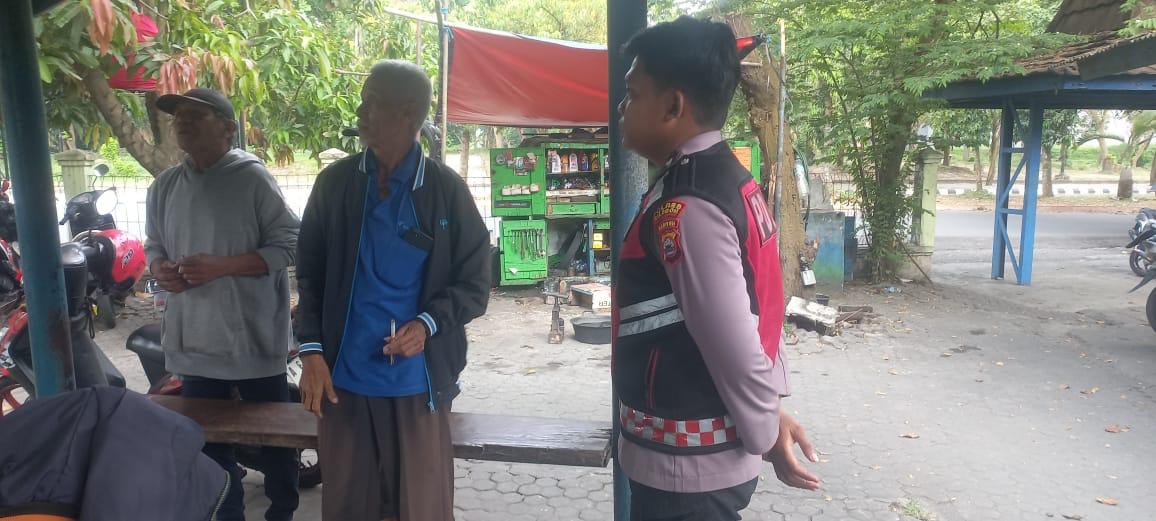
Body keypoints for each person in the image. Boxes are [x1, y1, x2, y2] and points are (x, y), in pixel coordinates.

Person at [612, 17, 821, 521]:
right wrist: (769, 410)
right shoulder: (725, 180)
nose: (621, 108)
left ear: (673, 107)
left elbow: (737, 347)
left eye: (632, 94)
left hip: (687, 473)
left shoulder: (689, 207)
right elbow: (760, 303)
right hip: (691, 463)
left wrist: (765, 430)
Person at [294, 60, 491, 521]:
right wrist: (311, 352)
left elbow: (475, 282)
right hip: (342, 382)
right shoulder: (336, 185)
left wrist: (427, 324)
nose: (360, 112)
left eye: (373, 102)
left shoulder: (444, 190)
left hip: (417, 385)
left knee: (421, 508)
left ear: (408, 113)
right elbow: (309, 273)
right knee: (347, 507)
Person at [145, 88, 301, 521]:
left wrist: (223, 266)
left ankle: (282, 512)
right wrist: (159, 268)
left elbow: (290, 243)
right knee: (209, 446)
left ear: (228, 128)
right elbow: (153, 243)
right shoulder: (165, 186)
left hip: (253, 341)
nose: (182, 122)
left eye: (196, 115)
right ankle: (228, 514)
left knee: (275, 440)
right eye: (178, 115)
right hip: (196, 343)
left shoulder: (252, 179)